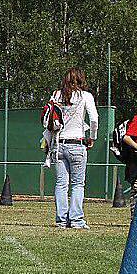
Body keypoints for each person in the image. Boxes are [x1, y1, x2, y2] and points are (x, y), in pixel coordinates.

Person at [49, 68, 98, 229]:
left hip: (58, 143)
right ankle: (76, 220)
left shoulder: (57, 95)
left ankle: (61, 220)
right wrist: (92, 137)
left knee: (61, 183)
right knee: (78, 184)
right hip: (77, 143)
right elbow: (94, 119)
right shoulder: (85, 96)